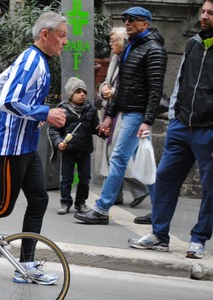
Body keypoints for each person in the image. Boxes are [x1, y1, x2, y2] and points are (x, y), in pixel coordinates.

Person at [129, 0, 213, 259]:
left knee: (209, 188)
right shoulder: (192, 44)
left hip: (211, 131)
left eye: (210, 13)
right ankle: (159, 235)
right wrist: (173, 119)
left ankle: (199, 239)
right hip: (181, 127)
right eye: (202, 12)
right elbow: (180, 82)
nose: (204, 17)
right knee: (165, 179)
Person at [0, 11, 68, 285]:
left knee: (39, 200)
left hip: (25, 145)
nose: (64, 42)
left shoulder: (36, 59)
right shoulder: (31, 62)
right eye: (61, 36)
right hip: (13, 146)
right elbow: (7, 101)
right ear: (45, 35)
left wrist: (32, 116)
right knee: (2, 207)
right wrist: (42, 114)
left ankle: (26, 265)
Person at [74, 6, 166, 225]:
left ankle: (102, 209)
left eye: (132, 20)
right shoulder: (132, 48)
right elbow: (122, 86)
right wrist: (109, 116)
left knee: (118, 158)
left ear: (145, 23)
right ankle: (161, 211)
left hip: (137, 115)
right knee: (147, 163)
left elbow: (155, 90)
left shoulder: (154, 50)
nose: (127, 23)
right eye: (125, 19)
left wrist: (147, 121)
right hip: (129, 112)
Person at [98, 26, 150, 210]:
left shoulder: (131, 58)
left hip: (123, 112)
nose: (111, 43)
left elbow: (127, 87)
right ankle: (115, 195)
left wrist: (112, 92)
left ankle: (138, 189)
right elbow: (107, 81)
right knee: (114, 155)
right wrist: (104, 89)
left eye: (113, 40)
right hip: (112, 111)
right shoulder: (116, 59)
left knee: (117, 155)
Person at [49, 77, 99, 215]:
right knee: (66, 178)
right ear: (71, 94)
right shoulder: (62, 109)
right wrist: (59, 142)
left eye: (84, 91)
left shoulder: (91, 109)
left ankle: (81, 203)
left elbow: (96, 128)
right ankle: (65, 203)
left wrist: (103, 131)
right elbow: (54, 130)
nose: (82, 94)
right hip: (68, 150)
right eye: (78, 91)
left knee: (85, 178)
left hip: (84, 150)